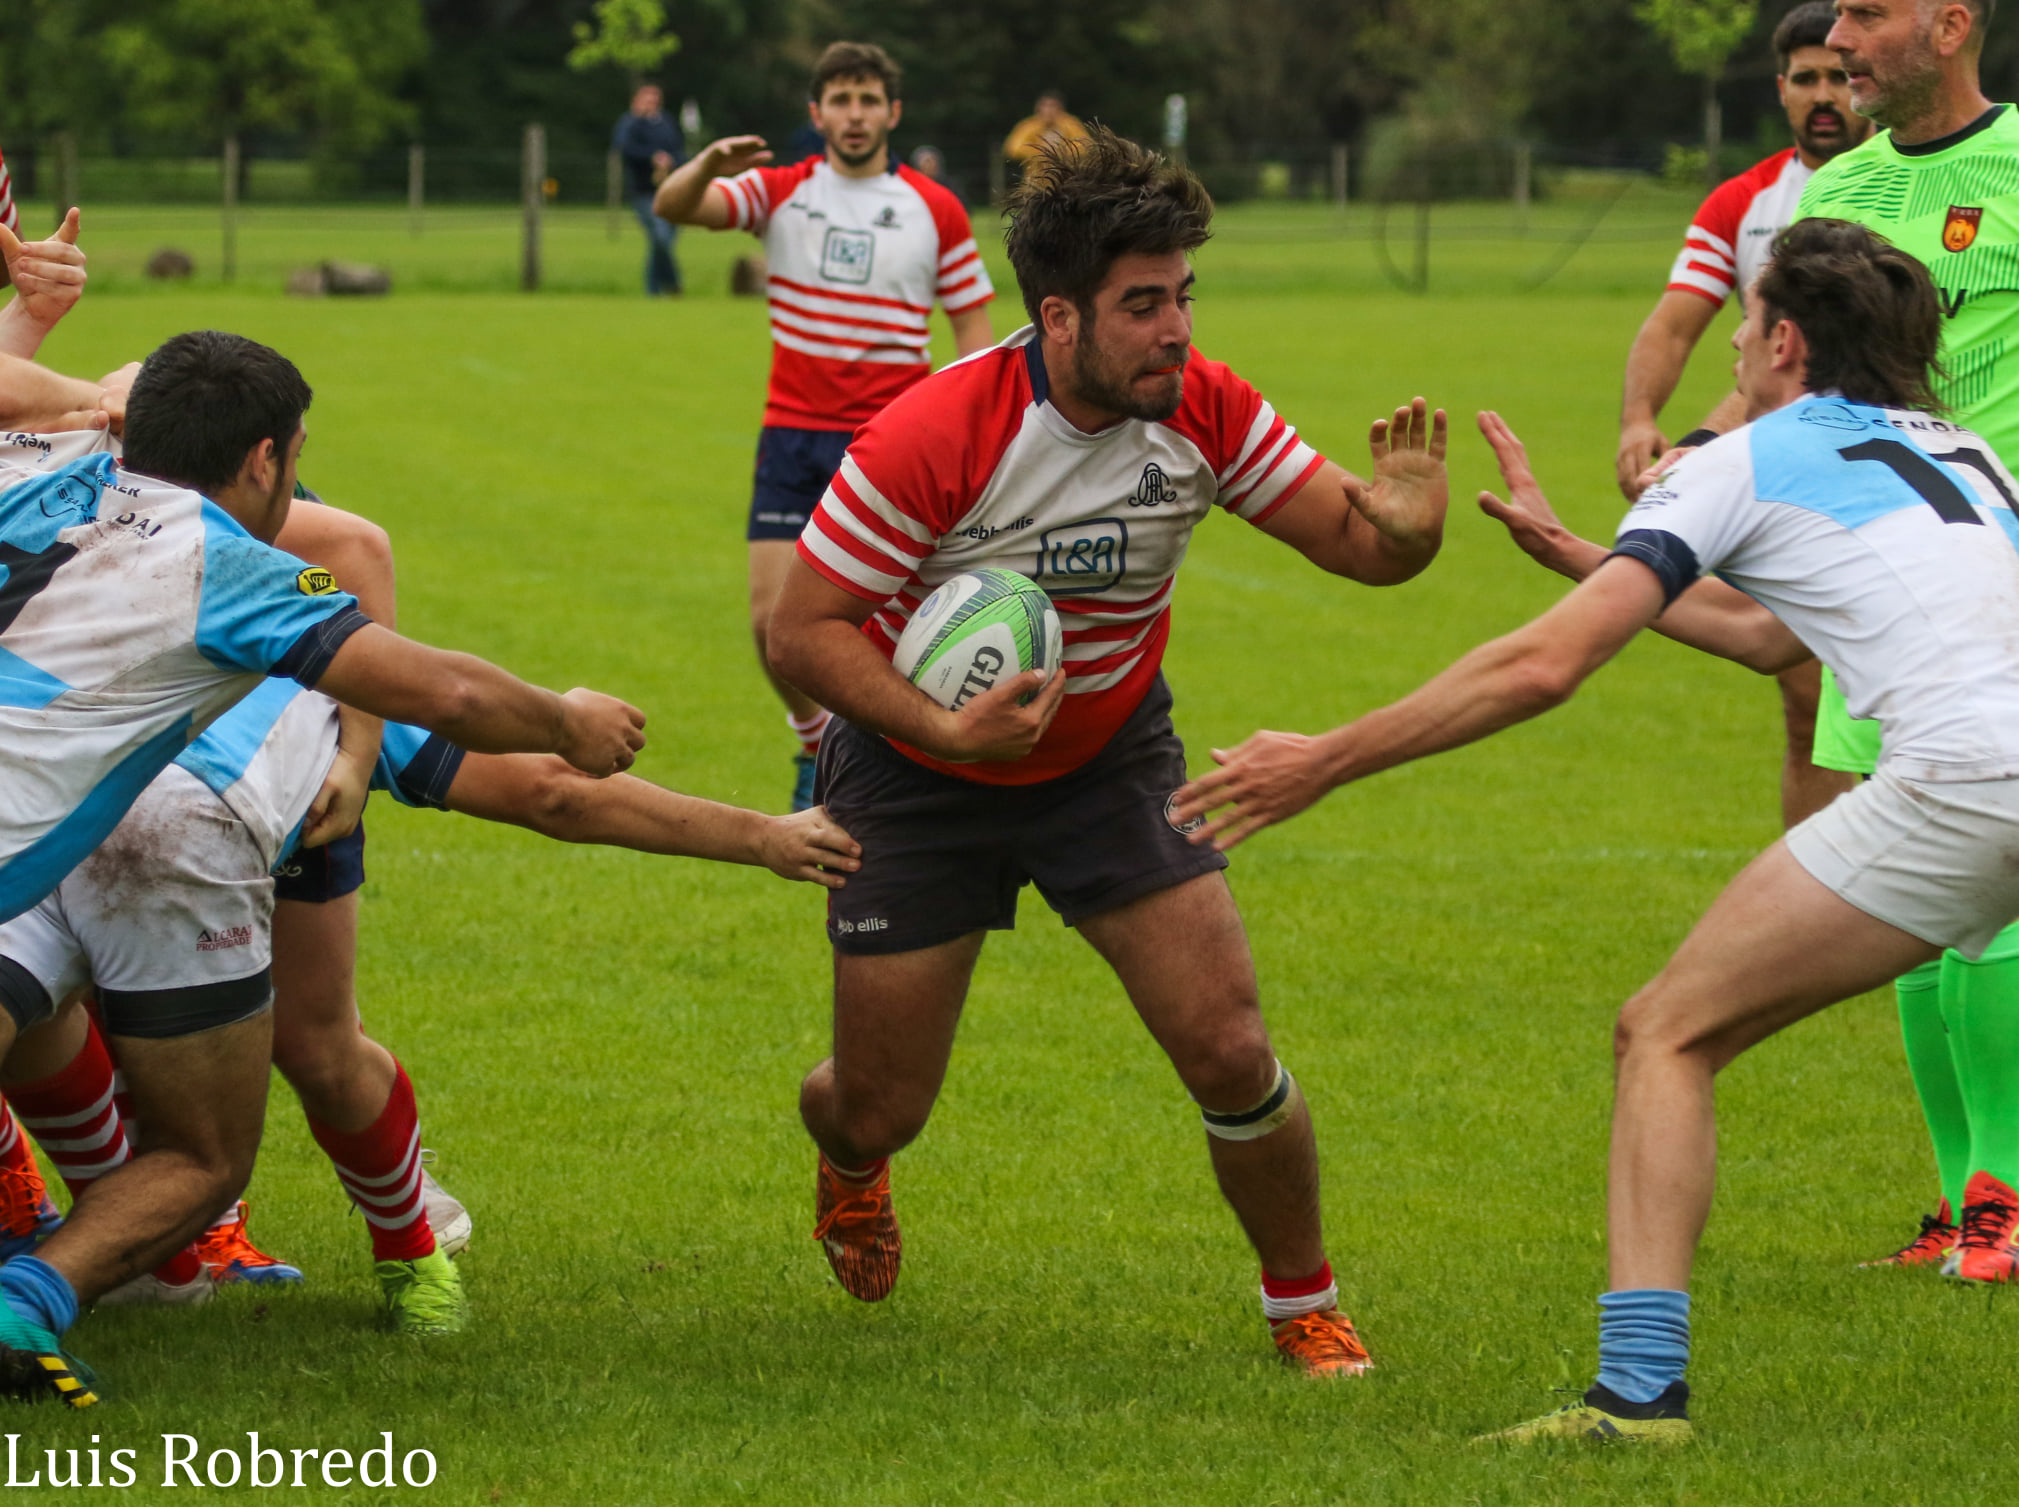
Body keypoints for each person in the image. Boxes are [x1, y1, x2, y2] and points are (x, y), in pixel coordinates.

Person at [1179, 218, 2019, 1438]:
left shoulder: (1739, 456)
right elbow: (1769, 633)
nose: (1732, 344)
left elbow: (1544, 671)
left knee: (1665, 1033)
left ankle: (1635, 1396)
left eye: (1746, 323)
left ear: (1786, 340)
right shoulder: (1968, 449)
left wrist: (1326, 757)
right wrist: (1584, 550)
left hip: (1967, 783)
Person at [765, 127, 1449, 1376]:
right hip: (919, 774)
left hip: (1109, 757)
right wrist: (938, 724)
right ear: (1058, 315)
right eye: (1144, 305)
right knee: (878, 1104)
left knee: (1232, 1048)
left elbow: (1361, 546)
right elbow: (796, 631)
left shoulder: (1203, 408)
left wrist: (1406, 531)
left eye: (1185, 294)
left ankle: (1302, 1298)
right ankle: (850, 1163)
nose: (1177, 329)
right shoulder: (939, 432)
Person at [1638, 0, 2019, 1278]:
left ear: (1951, 24)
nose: (1844, 36)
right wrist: (1696, 452)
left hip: (1996, 577)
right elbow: (1781, 363)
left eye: (1868, 11)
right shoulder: (1839, 187)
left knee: (1997, 899)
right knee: (1918, 890)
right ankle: (1956, 1200)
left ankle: (2004, 1194)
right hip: (1872, 580)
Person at [653, 41, 996, 812]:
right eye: (839, 100)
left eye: (868, 99)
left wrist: (973, 427)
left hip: (895, 441)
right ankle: (814, 743)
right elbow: (673, 207)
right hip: (793, 435)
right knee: (769, 620)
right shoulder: (781, 190)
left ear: (892, 112)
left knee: (904, 622)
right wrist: (707, 161)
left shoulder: (933, 206)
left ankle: (906, 767)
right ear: (816, 113)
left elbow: (972, 327)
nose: (854, 114)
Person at [1618, 1, 1872, 830]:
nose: (1824, 94)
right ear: (1781, 90)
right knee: (1808, 713)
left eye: (1837, 75)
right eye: (1806, 80)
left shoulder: (1898, 189)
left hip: (1905, 473)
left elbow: (1805, 368)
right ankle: (1832, 918)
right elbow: (1674, 320)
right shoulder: (1744, 201)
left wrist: (1698, 443)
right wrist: (1639, 421)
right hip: (1799, 485)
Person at [613, 81, 685, 297]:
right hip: (644, 192)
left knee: (661, 242)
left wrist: (670, 160)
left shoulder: (667, 123)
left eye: (655, 99)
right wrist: (652, 157)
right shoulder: (629, 124)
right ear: (636, 100)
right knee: (660, 238)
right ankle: (673, 284)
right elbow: (624, 149)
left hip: (670, 189)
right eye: (646, 98)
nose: (651, 103)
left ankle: (653, 290)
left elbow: (679, 151)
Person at [1003, 92, 1090, 171]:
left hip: (1067, 178)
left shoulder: (1070, 124)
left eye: (1052, 106)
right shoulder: (1029, 126)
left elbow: (1085, 145)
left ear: (1061, 108)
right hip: (1036, 179)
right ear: (1038, 108)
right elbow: (1013, 148)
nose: (1048, 110)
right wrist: (1041, 152)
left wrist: (1061, 153)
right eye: (1045, 106)